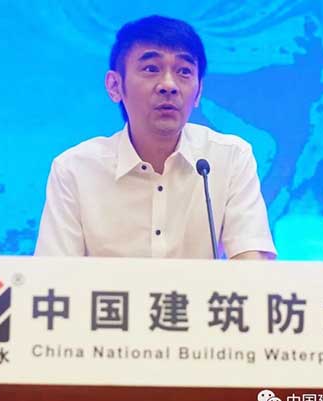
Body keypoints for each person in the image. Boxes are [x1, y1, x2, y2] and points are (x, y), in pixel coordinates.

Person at [35, 15, 276, 260]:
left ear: (198, 92)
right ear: (115, 86)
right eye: (151, 69)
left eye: (184, 71)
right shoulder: (75, 170)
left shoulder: (230, 157)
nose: (169, 85)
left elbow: (251, 265)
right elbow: (52, 275)